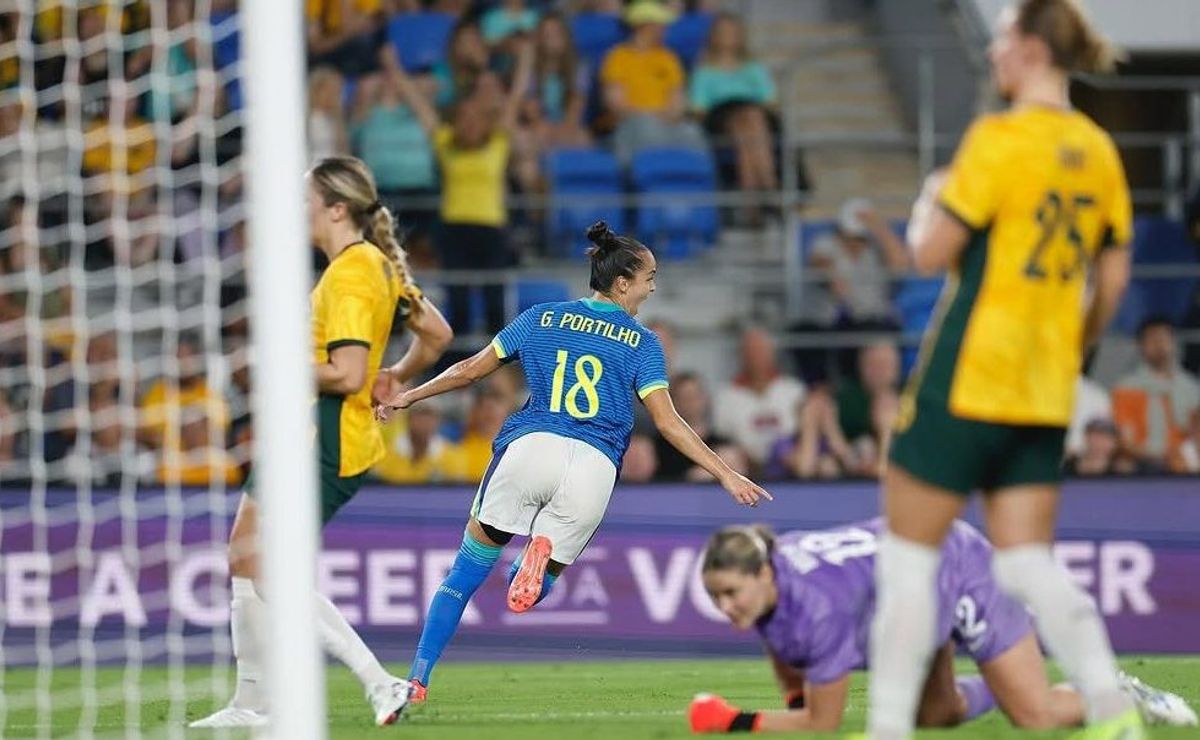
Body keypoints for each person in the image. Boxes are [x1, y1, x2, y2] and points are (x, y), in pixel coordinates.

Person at [867, 2, 1141, 738]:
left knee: (908, 566)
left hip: (969, 375)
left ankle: (887, 730)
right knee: (1027, 566)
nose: (992, 56)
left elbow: (928, 255)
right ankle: (1113, 712)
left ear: (1026, 49)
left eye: (1000, 43)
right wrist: (1069, 354)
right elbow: (1111, 284)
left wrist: (929, 201)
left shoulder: (998, 141)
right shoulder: (1102, 151)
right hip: (1045, 391)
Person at [377, 221, 772, 708]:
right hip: (593, 465)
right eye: (649, 277)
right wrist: (726, 472)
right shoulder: (642, 343)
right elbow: (669, 424)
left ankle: (417, 679)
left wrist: (409, 396)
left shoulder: (541, 316)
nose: (653, 286)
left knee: (463, 576)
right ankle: (534, 558)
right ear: (622, 283)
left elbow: (469, 369)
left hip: (531, 447)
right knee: (534, 589)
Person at [189, 157, 453, 729]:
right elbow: (436, 334)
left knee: (270, 572)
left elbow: (348, 373)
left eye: (305, 201)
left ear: (336, 209)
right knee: (243, 554)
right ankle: (252, 704)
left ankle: (380, 684)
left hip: (327, 439)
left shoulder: (353, 273)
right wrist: (399, 376)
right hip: (300, 435)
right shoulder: (375, 266)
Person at [690, 521, 1196, 733]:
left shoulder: (816, 608)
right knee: (939, 713)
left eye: (731, 593)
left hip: (957, 569)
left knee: (1033, 713)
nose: (725, 606)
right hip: (912, 596)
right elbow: (784, 647)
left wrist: (729, 720)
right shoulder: (771, 578)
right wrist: (794, 707)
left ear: (762, 575)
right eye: (715, 596)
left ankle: (1118, 696)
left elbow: (825, 724)